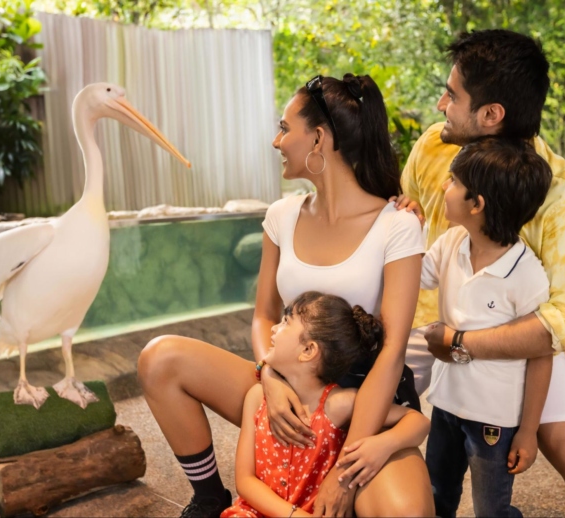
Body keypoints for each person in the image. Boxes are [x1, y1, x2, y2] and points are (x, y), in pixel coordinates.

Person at [138, 72, 433, 518]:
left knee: (406, 513)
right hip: (292, 385)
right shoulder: (281, 215)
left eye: (283, 128)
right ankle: (210, 498)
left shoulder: (397, 225)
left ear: (318, 138)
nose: (276, 141)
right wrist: (271, 381)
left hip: (364, 403)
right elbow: (263, 316)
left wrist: (344, 471)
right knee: (160, 358)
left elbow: (391, 353)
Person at [399, 29, 565, 516]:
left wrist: (460, 343)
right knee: (357, 406)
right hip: (425, 320)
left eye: (452, 95)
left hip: (504, 331)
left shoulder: (564, 197)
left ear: (491, 114)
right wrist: (404, 212)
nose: (441, 105)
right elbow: (407, 205)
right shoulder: (434, 145)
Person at [420, 137, 553, 517]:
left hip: (494, 420)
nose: (443, 186)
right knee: (435, 495)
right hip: (445, 405)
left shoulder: (526, 275)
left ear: (476, 204)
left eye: (453, 181)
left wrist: (528, 431)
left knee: (491, 509)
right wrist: (404, 223)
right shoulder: (452, 243)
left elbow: (541, 355)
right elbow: (414, 274)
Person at [223, 291, 430, 518]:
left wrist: (382, 445)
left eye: (285, 322)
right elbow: (245, 480)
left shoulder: (338, 404)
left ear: (308, 350)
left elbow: (418, 421)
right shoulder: (256, 397)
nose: (273, 329)